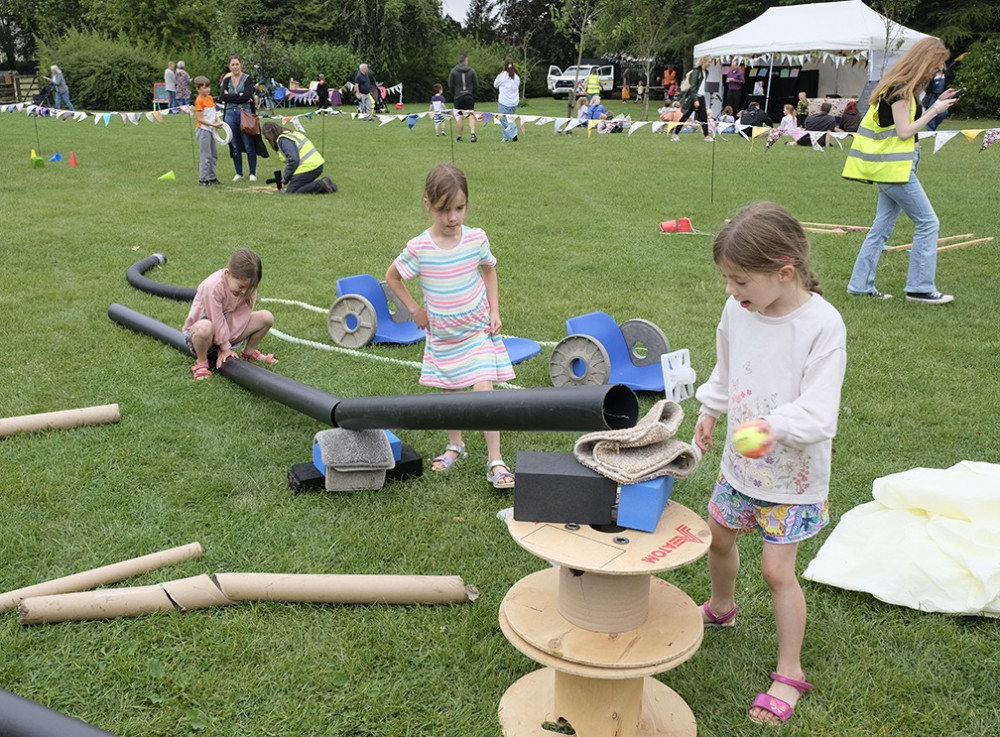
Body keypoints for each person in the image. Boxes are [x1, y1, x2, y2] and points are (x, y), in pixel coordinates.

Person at [694, 202, 847, 727]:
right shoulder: (740, 310)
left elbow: (820, 413)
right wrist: (713, 408)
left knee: (777, 571)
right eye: (727, 279)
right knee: (717, 536)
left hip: (792, 479)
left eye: (739, 279)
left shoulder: (822, 326)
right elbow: (727, 365)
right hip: (740, 468)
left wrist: (772, 428)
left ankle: (789, 671)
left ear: (785, 272)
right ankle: (720, 607)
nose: (731, 291)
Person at [385, 163, 516, 489]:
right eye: (445, 210)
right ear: (428, 205)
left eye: (459, 208)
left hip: (476, 332)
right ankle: (455, 445)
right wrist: (415, 309)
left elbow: (489, 271)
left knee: (484, 393)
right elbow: (393, 276)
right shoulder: (420, 248)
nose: (453, 218)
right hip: (443, 337)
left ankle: (495, 459)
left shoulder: (476, 239)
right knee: (451, 398)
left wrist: (495, 310)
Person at [843, 38, 961, 304]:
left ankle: (859, 285)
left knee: (880, 228)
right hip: (895, 169)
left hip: (894, 167)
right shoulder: (899, 90)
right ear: (924, 61)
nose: (937, 71)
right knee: (928, 223)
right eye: (936, 65)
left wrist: (937, 101)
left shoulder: (903, 88)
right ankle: (919, 288)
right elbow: (905, 131)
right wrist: (934, 110)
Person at [183, 249, 278, 381]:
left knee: (266, 317)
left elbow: (242, 317)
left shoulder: (249, 288)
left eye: (250, 288)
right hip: (203, 336)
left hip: (228, 332)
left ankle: (249, 352)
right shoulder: (213, 286)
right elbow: (215, 320)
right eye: (241, 287)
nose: (245, 291)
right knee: (205, 328)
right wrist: (225, 348)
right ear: (228, 273)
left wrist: (226, 345)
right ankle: (202, 362)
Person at [261, 122, 336, 194]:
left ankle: (321, 184)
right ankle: (329, 184)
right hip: (315, 165)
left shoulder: (284, 140)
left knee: (291, 192)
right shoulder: (289, 134)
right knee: (298, 187)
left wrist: (286, 178)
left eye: (267, 138)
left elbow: (293, 160)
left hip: (309, 167)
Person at [219, 54, 260, 182]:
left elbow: (248, 94)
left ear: (240, 64)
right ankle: (239, 173)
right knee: (234, 144)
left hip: (245, 113)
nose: (235, 67)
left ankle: (252, 173)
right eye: (233, 64)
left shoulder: (247, 79)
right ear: (229, 66)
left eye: (237, 64)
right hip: (230, 113)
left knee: (248, 143)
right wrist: (239, 95)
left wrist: (232, 95)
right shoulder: (226, 80)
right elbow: (222, 97)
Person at [193, 76, 223, 186]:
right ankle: (203, 179)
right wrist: (213, 124)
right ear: (198, 89)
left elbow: (214, 113)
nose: (207, 90)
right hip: (204, 130)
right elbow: (200, 118)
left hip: (211, 129)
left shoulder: (210, 98)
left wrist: (218, 120)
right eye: (204, 88)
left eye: (208, 87)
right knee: (206, 155)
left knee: (213, 154)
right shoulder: (199, 101)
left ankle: (212, 177)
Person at [679, 56, 713, 141]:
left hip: (701, 96)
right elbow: (693, 86)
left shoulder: (706, 72)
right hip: (694, 97)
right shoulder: (696, 72)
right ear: (704, 62)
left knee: (704, 117)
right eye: (709, 62)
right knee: (686, 116)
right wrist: (695, 99)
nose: (710, 64)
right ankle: (675, 134)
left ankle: (706, 136)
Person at [449, 54, 478, 143]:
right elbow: (476, 84)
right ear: (465, 60)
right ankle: (473, 134)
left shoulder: (453, 71)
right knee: (470, 115)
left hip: (458, 96)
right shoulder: (472, 71)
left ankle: (459, 136)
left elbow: (450, 85)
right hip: (468, 95)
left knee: (459, 116)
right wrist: (473, 93)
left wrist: (455, 93)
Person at [493, 57, 520, 143]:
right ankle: (507, 136)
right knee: (509, 118)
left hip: (504, 102)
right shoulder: (517, 76)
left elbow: (495, 85)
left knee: (503, 119)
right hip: (514, 102)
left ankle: (512, 134)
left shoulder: (502, 75)